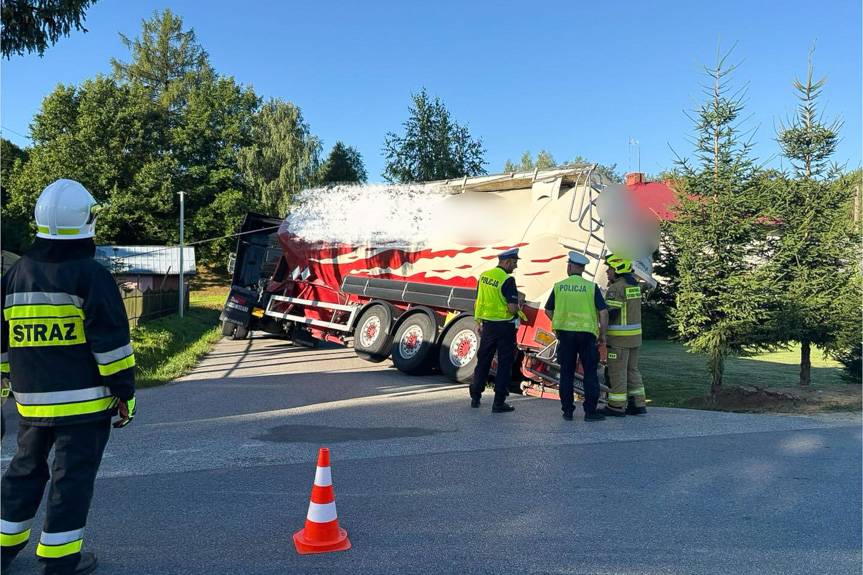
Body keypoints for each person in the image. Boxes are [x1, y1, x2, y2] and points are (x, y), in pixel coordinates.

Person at [1, 179, 137, 575]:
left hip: (30, 404)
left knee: (23, 472)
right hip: (84, 407)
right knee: (71, 479)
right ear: (87, 221)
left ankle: (3, 549)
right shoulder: (91, 276)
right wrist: (125, 394)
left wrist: (8, 387)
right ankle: (60, 561)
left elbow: (5, 344)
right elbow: (112, 347)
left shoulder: (15, 274)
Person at [545, 251, 608, 421]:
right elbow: (603, 312)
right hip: (587, 336)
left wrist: (558, 322)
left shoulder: (559, 286)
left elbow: (548, 310)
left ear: (570, 266)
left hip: (565, 336)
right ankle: (590, 412)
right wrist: (602, 334)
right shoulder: (591, 287)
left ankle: (567, 411)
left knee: (566, 373)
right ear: (582, 268)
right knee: (590, 373)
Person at [470, 248, 523, 413]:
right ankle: (498, 403)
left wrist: (478, 321)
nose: (515, 266)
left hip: (488, 326)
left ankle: (475, 397)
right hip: (505, 327)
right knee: (504, 364)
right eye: (514, 262)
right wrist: (519, 307)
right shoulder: (508, 280)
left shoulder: (484, 276)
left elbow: (478, 301)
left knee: (483, 361)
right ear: (506, 262)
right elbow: (512, 308)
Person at [599, 254, 647, 416]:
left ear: (618, 269)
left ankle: (616, 406)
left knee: (617, 372)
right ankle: (638, 404)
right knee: (632, 370)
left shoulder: (616, 288)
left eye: (610, 268)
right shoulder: (634, 286)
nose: (607, 271)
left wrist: (599, 320)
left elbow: (611, 313)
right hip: (634, 339)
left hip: (619, 340)